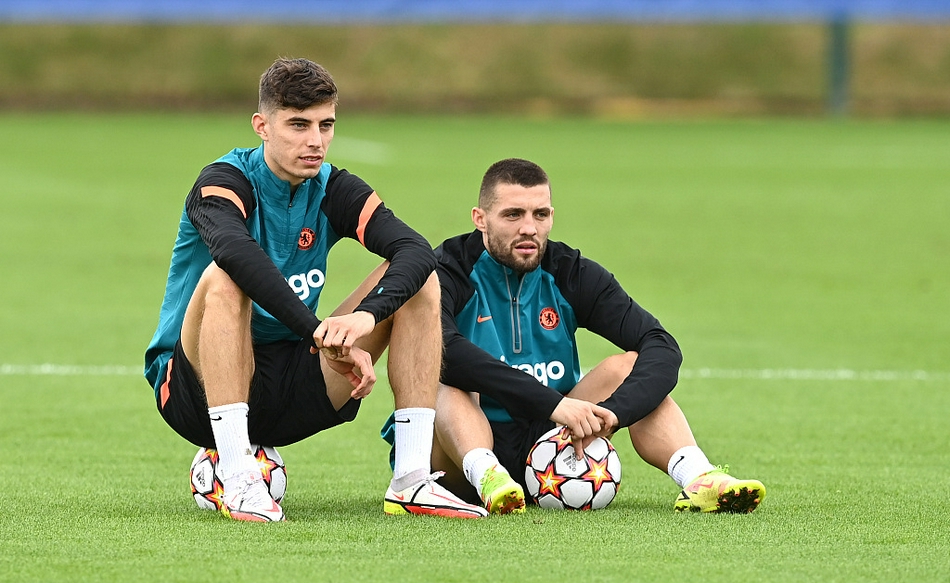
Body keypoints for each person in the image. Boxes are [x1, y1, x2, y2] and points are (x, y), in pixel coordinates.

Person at [144, 57, 487, 522]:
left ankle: (411, 479)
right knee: (225, 277)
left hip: (294, 382)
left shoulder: (334, 188)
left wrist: (364, 318)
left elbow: (415, 249)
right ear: (262, 126)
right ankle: (240, 480)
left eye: (326, 125)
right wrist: (318, 333)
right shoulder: (222, 182)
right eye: (298, 125)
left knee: (420, 279)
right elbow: (236, 255)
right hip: (194, 392)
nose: (315, 141)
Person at [392, 157, 766, 515]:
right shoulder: (447, 270)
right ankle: (489, 477)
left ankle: (698, 477)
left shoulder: (570, 272)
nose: (529, 228)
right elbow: (444, 350)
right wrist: (550, 403)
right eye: (513, 215)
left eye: (540, 215)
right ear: (480, 219)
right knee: (443, 378)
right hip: (461, 451)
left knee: (627, 367)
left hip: (553, 441)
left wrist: (614, 414)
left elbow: (661, 345)